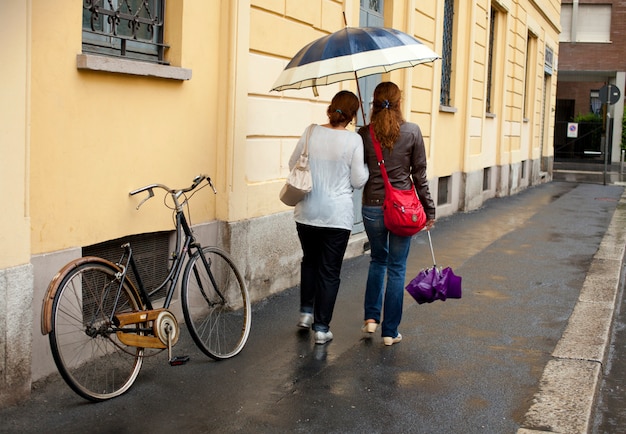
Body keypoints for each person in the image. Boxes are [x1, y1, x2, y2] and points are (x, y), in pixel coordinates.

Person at [358, 82, 436, 346]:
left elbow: (359, 173)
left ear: (374, 104)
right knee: (397, 267)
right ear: (399, 102)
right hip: (403, 210)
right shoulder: (412, 131)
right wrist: (429, 210)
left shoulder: (364, 133)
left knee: (378, 261)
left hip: (371, 206)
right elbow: (420, 175)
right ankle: (390, 332)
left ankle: (370, 319)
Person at [290, 90, 369, 345]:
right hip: (337, 217)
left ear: (331, 108)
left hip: (307, 212)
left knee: (310, 262)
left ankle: (305, 314)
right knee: (329, 271)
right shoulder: (354, 140)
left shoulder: (311, 131)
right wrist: (367, 167)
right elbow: (358, 181)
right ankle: (321, 328)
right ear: (353, 114)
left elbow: (293, 163)